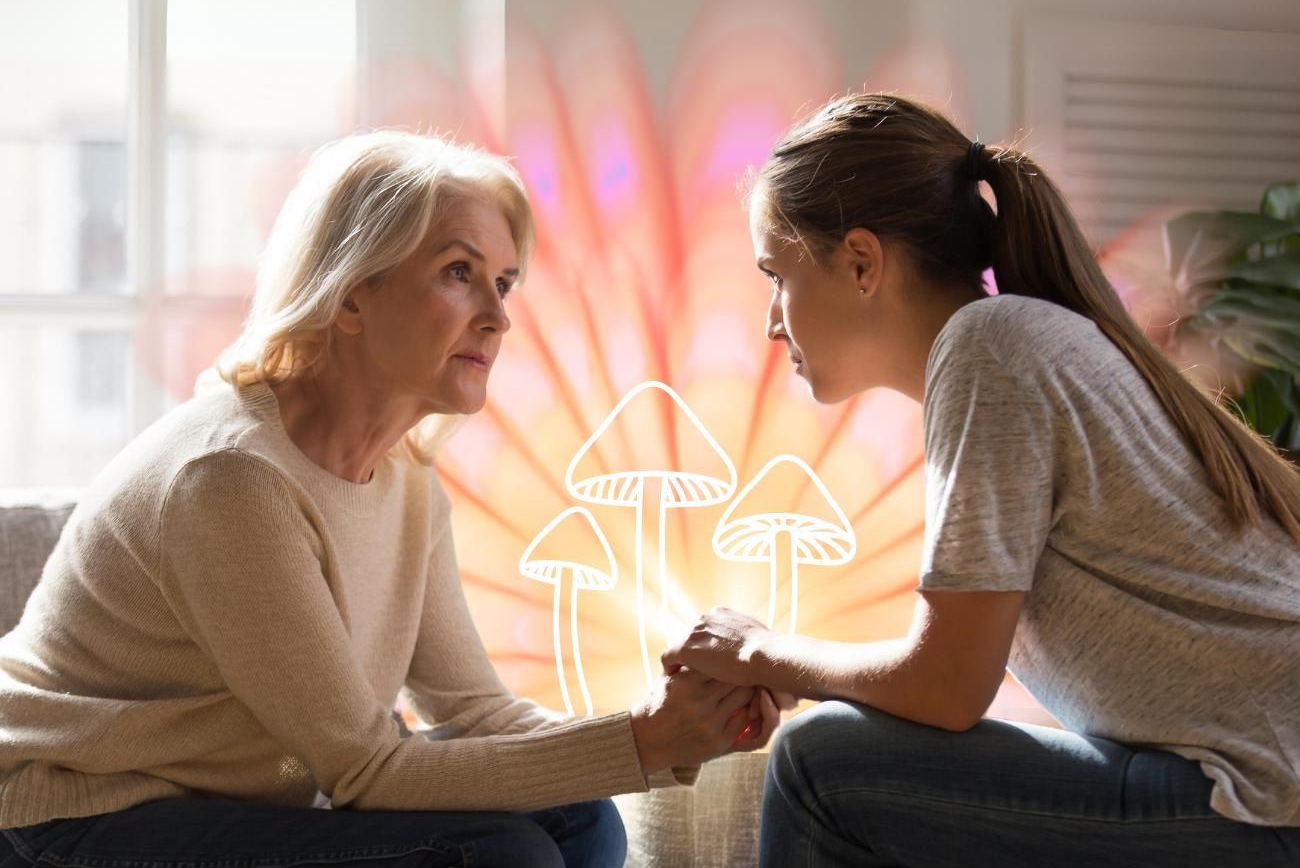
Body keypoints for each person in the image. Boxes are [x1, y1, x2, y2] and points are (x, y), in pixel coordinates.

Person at [0, 131, 786, 868]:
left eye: (503, 282)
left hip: (234, 797)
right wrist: (645, 741)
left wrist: (665, 732)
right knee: (502, 855)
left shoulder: (405, 480)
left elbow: (478, 712)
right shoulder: (230, 479)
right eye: (459, 272)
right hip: (75, 812)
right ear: (349, 296)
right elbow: (365, 769)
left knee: (579, 817)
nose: (499, 316)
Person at [662, 93, 1300, 867]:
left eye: (776, 274)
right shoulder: (1017, 343)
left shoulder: (990, 349)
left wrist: (761, 655)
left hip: (1272, 799)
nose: (773, 319)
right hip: (1271, 787)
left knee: (821, 765)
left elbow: (945, 686)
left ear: (863, 262)